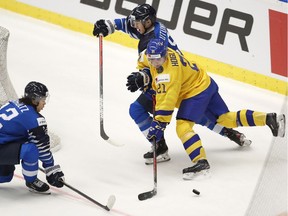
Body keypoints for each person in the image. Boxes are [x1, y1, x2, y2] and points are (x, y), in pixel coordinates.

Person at [92, 3, 251, 165]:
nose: (133, 25)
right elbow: (128, 24)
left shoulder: (153, 40)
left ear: (147, 22)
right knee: (198, 116)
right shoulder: (152, 27)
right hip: (176, 78)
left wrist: (143, 77)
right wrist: (109, 25)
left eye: (136, 22)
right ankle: (230, 133)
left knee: (140, 109)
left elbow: (159, 68)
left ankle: (160, 147)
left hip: (169, 81)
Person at [133, 38, 286, 179]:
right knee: (226, 118)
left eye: (158, 59)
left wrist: (159, 123)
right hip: (205, 83)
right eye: (152, 59)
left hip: (195, 93)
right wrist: (144, 75)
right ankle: (268, 118)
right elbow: (144, 65)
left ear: (165, 55)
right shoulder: (150, 56)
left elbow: (167, 101)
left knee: (183, 126)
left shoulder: (169, 74)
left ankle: (201, 163)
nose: (154, 63)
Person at [0, 81, 65, 194]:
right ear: (35, 100)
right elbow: (42, 149)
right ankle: (32, 181)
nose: (44, 103)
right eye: (43, 99)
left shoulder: (13, 103)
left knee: (5, 176)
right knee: (31, 149)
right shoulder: (34, 119)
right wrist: (51, 170)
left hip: (3, 145)